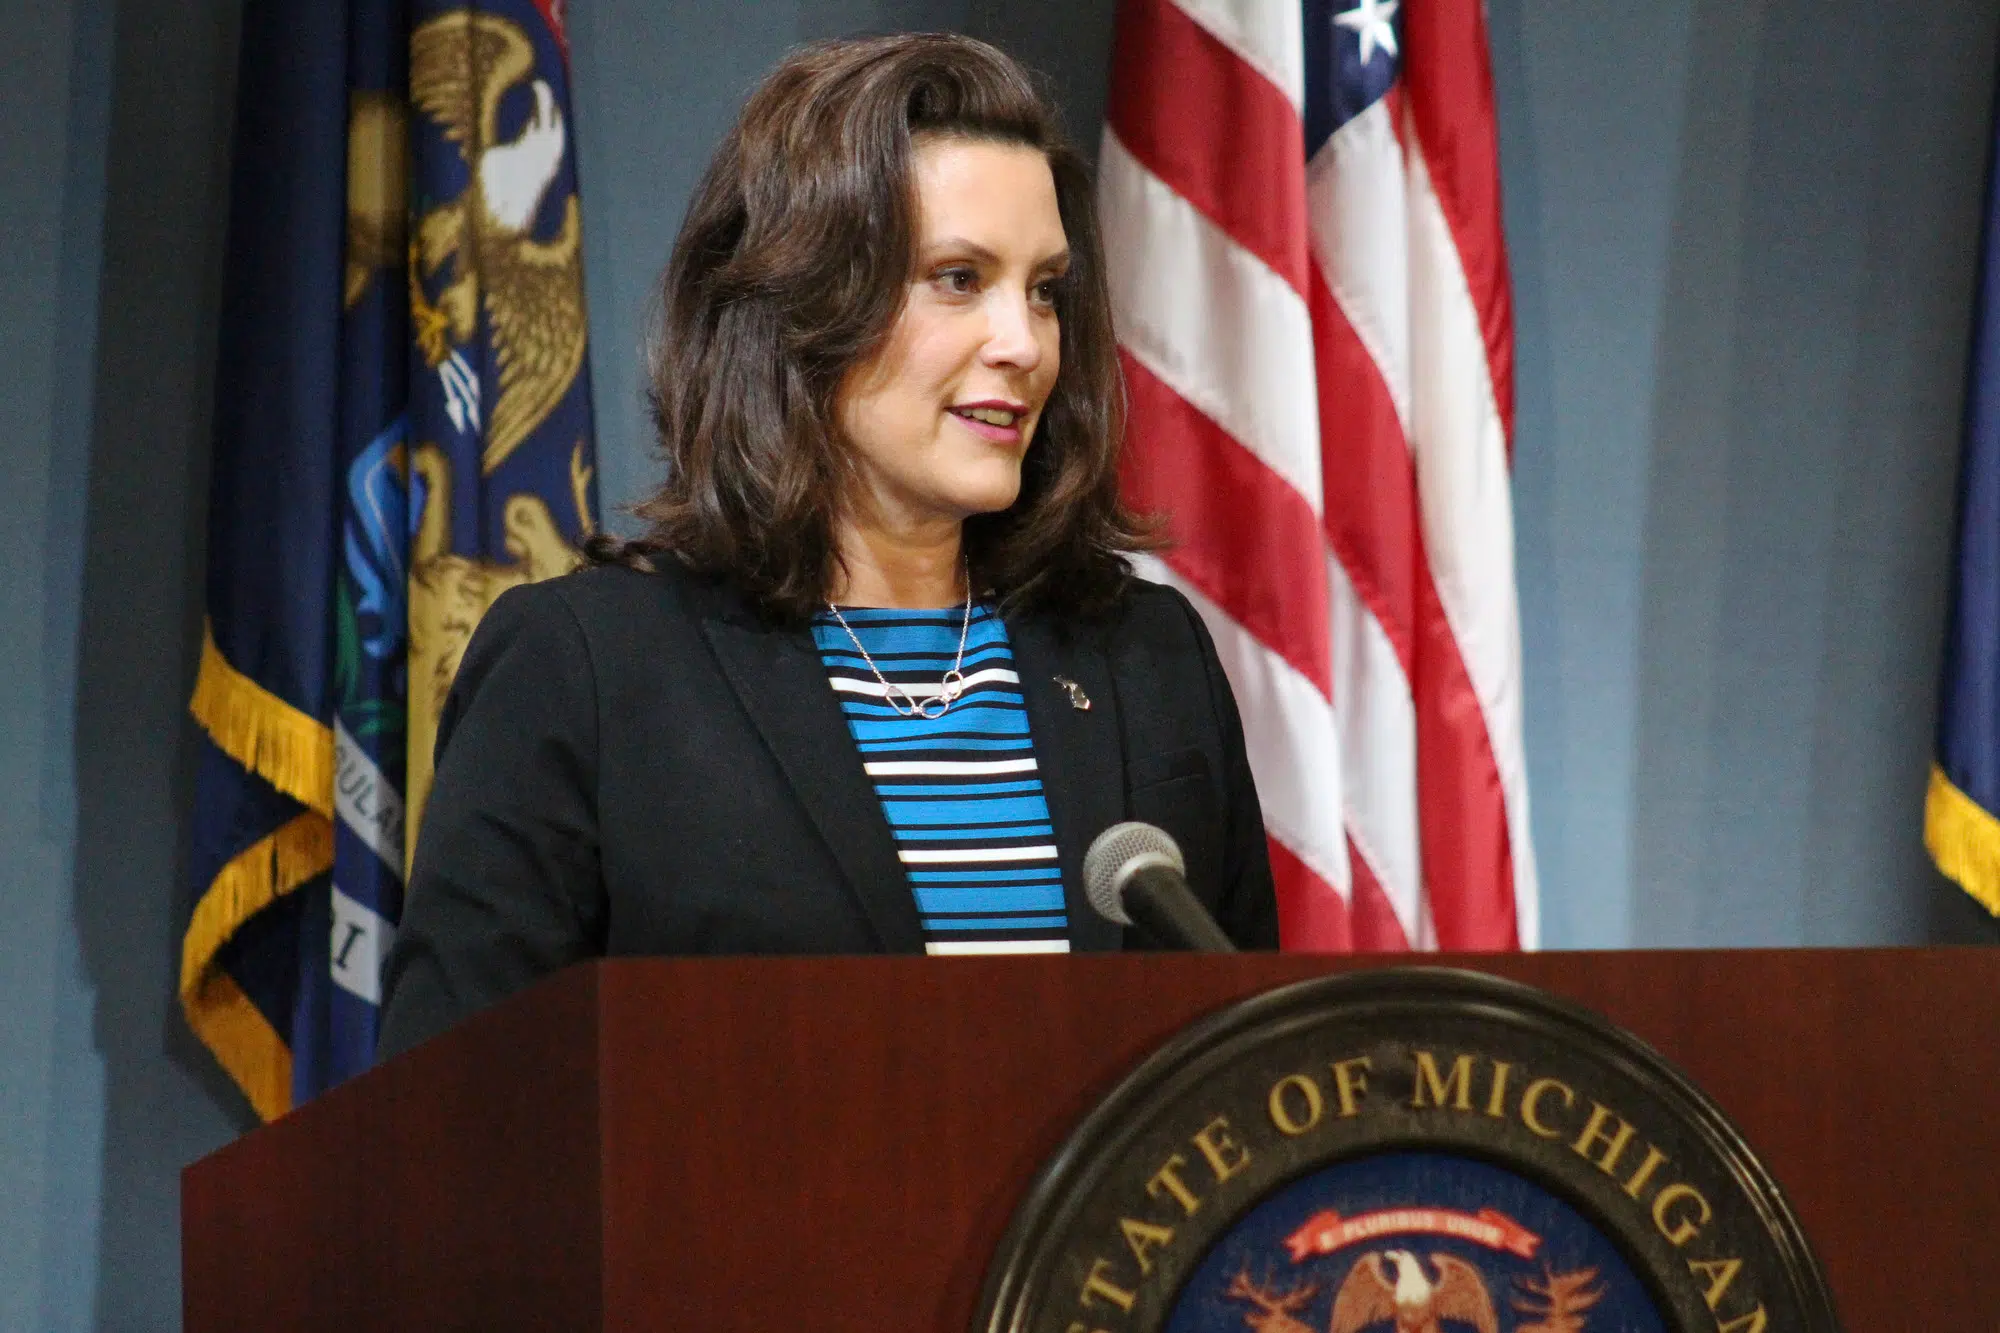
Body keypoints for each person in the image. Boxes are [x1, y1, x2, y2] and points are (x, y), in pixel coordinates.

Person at [377, 32, 1278, 1059]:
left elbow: (1249, 1089)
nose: (1023, 343)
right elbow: (450, 1114)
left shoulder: (1146, 658)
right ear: (800, 303)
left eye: (1042, 288)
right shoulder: (587, 668)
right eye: (957, 278)